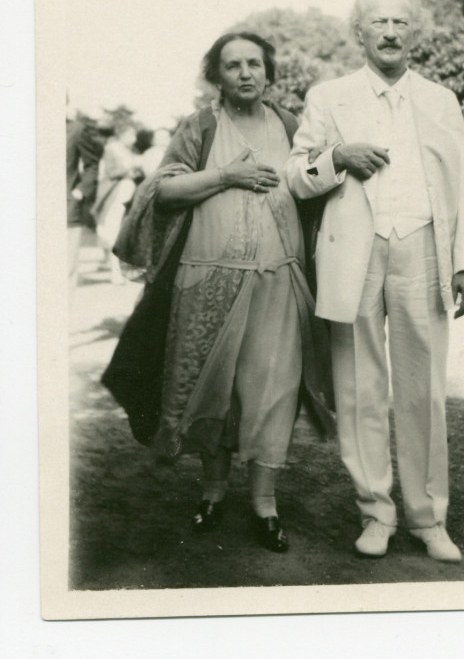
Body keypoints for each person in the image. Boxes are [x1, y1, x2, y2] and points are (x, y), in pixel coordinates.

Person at [103, 32, 333, 553]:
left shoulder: (292, 126)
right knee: (215, 391)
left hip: (280, 283)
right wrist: (228, 175)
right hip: (206, 281)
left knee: (274, 391)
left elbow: (313, 191)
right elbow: (162, 190)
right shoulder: (200, 127)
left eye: (255, 63)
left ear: (269, 73)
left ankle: (265, 505)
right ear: (217, 75)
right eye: (233, 65)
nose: (246, 73)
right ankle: (211, 491)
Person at [286, 0, 464, 562]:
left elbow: (462, 182)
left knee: (425, 389)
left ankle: (428, 518)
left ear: (412, 33)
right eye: (379, 22)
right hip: (354, 253)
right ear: (360, 33)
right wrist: (337, 157)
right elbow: (295, 176)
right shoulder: (330, 96)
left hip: (422, 246)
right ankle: (375, 511)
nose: (390, 32)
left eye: (400, 22)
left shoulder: (442, 99)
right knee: (359, 388)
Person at [93, 122, 141, 284]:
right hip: (116, 193)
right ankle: (115, 272)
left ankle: (121, 271)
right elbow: (111, 171)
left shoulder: (129, 151)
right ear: (123, 135)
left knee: (124, 232)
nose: (134, 139)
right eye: (131, 136)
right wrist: (130, 169)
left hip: (128, 191)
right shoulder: (111, 149)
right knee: (113, 231)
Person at [66, 99, 104, 302]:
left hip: (67, 209)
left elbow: (92, 165)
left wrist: (79, 192)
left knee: (65, 269)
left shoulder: (76, 130)